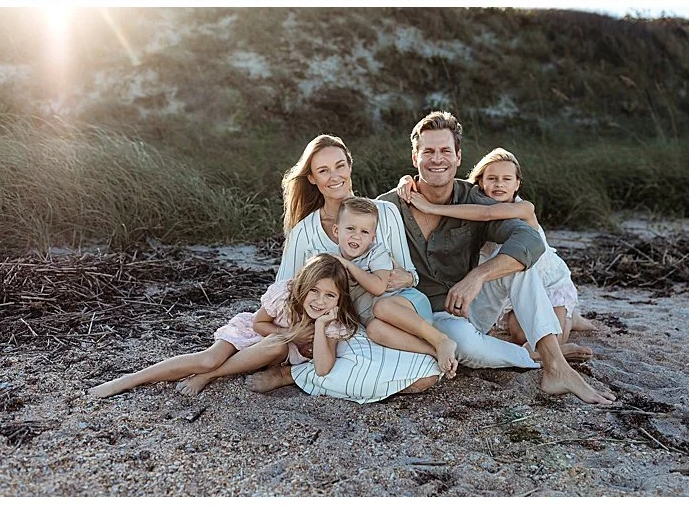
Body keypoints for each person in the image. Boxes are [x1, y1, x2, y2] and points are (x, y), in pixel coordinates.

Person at [376, 112, 614, 405]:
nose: (437, 159)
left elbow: (529, 239)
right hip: (420, 317)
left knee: (516, 263)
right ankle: (531, 355)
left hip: (469, 305)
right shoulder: (387, 207)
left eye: (445, 151)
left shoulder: (474, 199)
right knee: (465, 346)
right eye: (428, 152)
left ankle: (557, 368)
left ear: (458, 156)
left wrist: (477, 276)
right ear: (415, 158)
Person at [250, 135, 443, 403]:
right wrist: (298, 333)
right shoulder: (304, 232)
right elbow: (286, 291)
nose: (334, 176)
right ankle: (291, 375)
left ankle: (302, 376)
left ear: (350, 167)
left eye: (340, 166)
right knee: (354, 361)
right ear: (312, 179)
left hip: (387, 322)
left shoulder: (384, 213)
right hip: (338, 329)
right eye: (323, 170)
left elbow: (413, 276)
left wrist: (394, 279)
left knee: (427, 376)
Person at [397, 147, 593, 353]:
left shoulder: (525, 208)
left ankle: (571, 318)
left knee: (550, 339)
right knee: (519, 336)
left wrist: (431, 207)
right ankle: (562, 318)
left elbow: (488, 213)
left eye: (507, 179)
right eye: (492, 178)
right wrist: (407, 180)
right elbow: (453, 192)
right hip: (506, 282)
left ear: (517, 184)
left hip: (547, 281)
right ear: (481, 182)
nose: (499, 184)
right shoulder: (472, 204)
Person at [86, 254, 359, 399]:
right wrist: (292, 335)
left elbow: (323, 368)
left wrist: (321, 326)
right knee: (207, 360)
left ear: (339, 299)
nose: (320, 301)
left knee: (277, 347)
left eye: (329, 295)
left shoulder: (332, 322)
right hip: (248, 335)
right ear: (302, 286)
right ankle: (126, 381)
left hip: (267, 354)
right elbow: (258, 323)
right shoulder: (286, 297)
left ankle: (209, 377)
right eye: (314, 291)